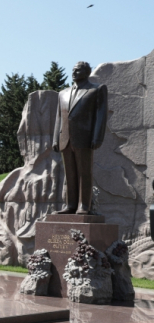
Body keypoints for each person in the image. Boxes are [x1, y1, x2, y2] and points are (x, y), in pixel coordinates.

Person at [52, 61, 108, 214]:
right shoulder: (62, 93)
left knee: (85, 172)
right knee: (69, 174)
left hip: (85, 138)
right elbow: (59, 117)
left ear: (86, 72)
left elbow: (100, 115)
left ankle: (84, 206)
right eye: (73, 70)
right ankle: (70, 205)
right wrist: (55, 139)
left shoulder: (97, 89)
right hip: (65, 139)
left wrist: (97, 137)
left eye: (78, 70)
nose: (74, 72)